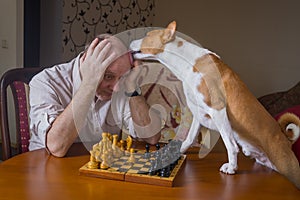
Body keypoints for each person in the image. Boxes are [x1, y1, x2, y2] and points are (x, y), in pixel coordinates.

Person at [28, 34, 162, 157]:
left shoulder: (121, 85)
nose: (116, 88)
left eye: (122, 77)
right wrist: (89, 83)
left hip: (99, 172)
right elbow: (56, 147)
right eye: (108, 76)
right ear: (87, 62)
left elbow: (151, 137)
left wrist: (132, 87)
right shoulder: (45, 82)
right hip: (47, 170)